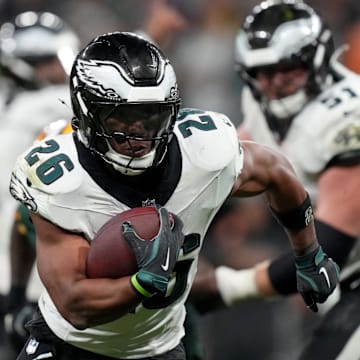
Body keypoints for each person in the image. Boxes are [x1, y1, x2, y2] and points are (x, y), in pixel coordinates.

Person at [9, 31, 338, 360]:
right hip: (72, 348)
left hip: (159, 348)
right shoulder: (63, 179)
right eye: (123, 116)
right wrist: (142, 283)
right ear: (87, 111)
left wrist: (308, 255)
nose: (139, 133)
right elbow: (74, 305)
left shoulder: (203, 153)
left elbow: (275, 169)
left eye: (151, 115)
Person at [210, 1, 360, 359]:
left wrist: (226, 287)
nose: (276, 82)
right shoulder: (260, 100)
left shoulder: (348, 116)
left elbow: (329, 248)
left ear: (317, 59)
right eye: (265, 71)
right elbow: (237, 164)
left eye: (289, 68)